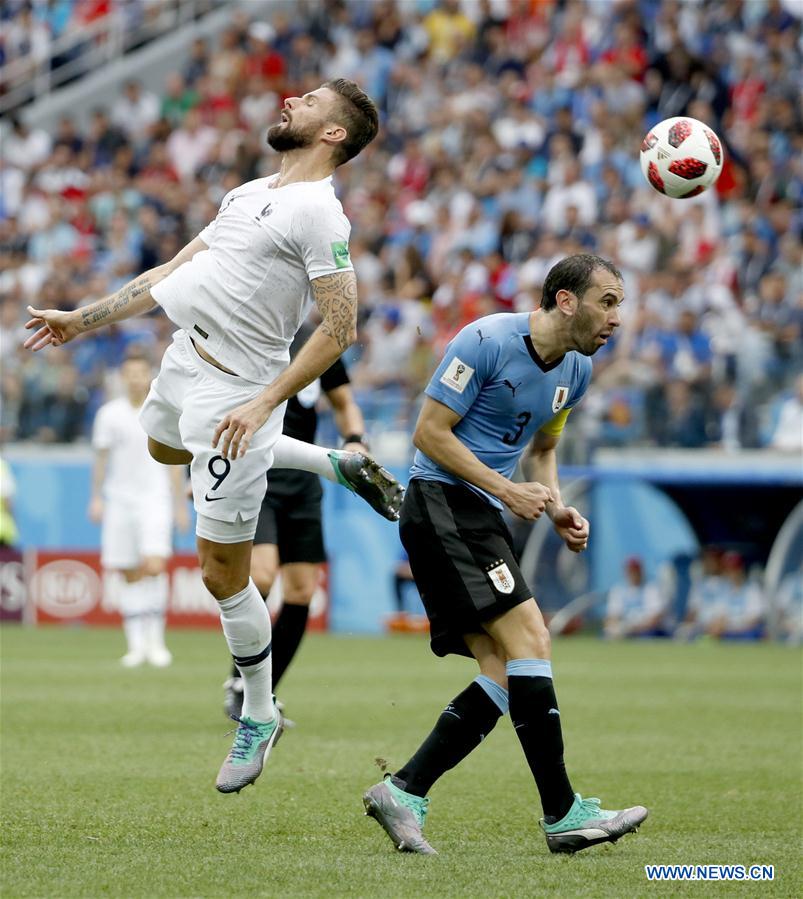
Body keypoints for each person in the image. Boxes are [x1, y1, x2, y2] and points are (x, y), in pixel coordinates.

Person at [24, 79, 402, 796]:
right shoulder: (248, 192)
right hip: (182, 364)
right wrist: (83, 318)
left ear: (333, 135)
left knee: (221, 575)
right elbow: (172, 271)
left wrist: (264, 403)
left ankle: (258, 712)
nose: (292, 100)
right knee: (164, 449)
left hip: (236, 393)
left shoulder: (319, 213)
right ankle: (333, 463)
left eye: (312, 102)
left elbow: (340, 326)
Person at [363, 254, 647, 855]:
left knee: (503, 667)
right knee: (532, 641)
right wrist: (506, 488)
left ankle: (405, 791)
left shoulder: (578, 370)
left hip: (480, 513)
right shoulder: (485, 340)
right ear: (566, 301)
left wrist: (555, 506)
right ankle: (563, 814)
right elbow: (429, 434)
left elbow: (543, 448)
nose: (617, 318)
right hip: (441, 502)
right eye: (609, 302)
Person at [223, 319, 370, 718]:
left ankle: (261, 691)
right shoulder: (251, 329)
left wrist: (355, 437)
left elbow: (344, 402)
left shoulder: (321, 340)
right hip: (256, 472)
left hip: (304, 478)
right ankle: (240, 676)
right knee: (264, 574)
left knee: (303, 590)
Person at [89, 348, 190, 668]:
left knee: (155, 565)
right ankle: (135, 645)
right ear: (122, 377)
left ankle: (156, 642)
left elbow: (174, 463)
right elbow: (101, 460)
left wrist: (179, 506)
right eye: (129, 374)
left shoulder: (162, 410)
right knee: (129, 571)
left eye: (140, 373)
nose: (135, 379)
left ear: (149, 375)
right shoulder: (109, 414)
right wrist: (96, 497)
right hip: (119, 499)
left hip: (155, 498)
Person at [603, 556, 671, 639]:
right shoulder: (618, 590)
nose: (633, 574)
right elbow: (611, 616)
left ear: (641, 571)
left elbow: (655, 618)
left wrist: (631, 629)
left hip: (647, 631)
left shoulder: (651, 589)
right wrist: (617, 628)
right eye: (630, 571)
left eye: (636, 571)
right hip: (626, 631)